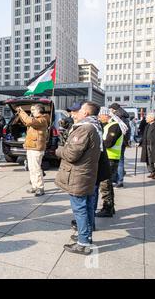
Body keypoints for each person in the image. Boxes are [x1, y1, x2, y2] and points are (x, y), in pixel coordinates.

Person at [56, 102, 101, 255]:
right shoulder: (93, 126)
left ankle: (83, 243)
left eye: (80, 110)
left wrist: (59, 150)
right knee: (87, 206)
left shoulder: (85, 129)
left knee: (80, 209)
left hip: (79, 175)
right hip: (85, 174)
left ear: (86, 113)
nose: (76, 113)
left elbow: (71, 154)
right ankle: (86, 237)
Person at [16, 104, 50, 197]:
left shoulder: (41, 120)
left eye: (33, 110)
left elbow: (28, 121)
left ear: (39, 111)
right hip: (31, 147)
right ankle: (35, 186)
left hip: (37, 148)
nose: (32, 111)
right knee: (31, 168)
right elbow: (26, 122)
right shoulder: (36, 120)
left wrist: (21, 112)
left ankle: (40, 187)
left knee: (36, 168)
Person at [96, 107, 123, 218]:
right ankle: (110, 207)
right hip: (108, 157)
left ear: (106, 115)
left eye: (100, 115)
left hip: (111, 158)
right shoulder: (108, 125)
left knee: (105, 184)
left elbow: (108, 143)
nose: (98, 118)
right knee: (107, 185)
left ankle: (107, 208)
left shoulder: (114, 126)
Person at [109, 103, 130, 188]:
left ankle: (119, 180)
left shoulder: (116, 117)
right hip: (123, 142)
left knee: (118, 162)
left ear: (113, 109)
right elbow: (128, 131)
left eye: (110, 109)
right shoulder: (125, 117)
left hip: (117, 142)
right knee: (120, 161)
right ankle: (118, 179)